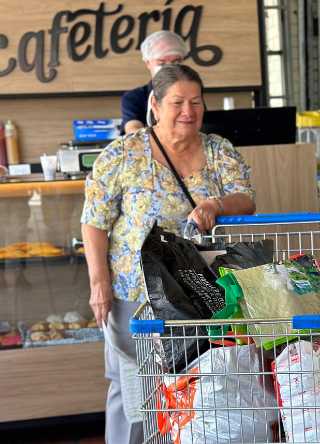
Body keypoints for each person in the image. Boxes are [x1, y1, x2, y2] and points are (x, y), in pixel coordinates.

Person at [81, 64, 256, 443]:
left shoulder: (217, 150)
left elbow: (247, 199)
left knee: (201, 390)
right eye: (177, 101)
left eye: (195, 102)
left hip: (203, 295)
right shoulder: (122, 155)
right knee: (135, 391)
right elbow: (93, 222)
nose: (187, 111)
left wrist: (216, 204)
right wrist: (99, 284)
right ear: (155, 106)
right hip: (135, 296)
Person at [121, 31, 187, 135]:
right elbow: (132, 129)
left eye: (176, 61)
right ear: (148, 63)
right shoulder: (135, 97)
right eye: (162, 62)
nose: (169, 67)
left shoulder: (191, 93)